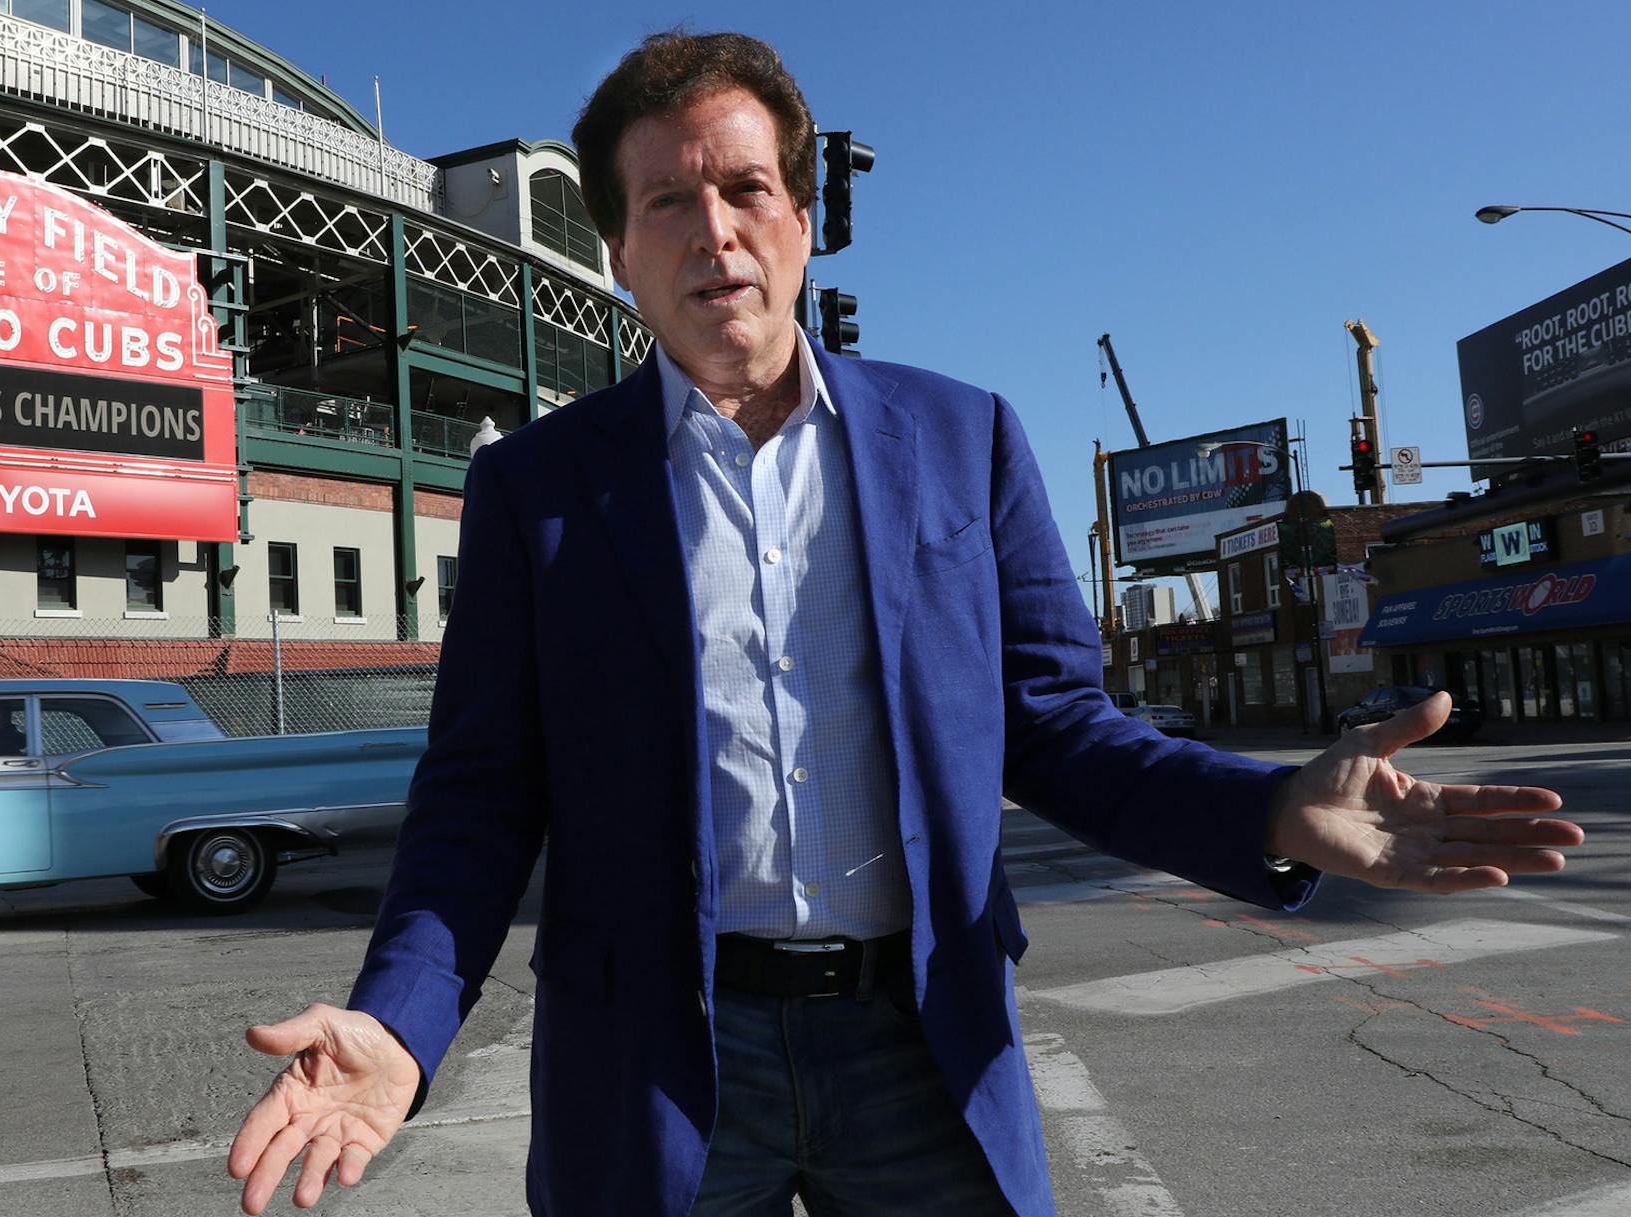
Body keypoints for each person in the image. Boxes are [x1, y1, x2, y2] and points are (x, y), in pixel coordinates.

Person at [227, 31, 1581, 1217]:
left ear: (804, 220)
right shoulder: (538, 488)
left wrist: (1272, 810)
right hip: (659, 1050)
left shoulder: (965, 440)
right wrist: (401, 1024)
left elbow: (1058, 731)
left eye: (748, 188)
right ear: (622, 249)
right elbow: (480, 793)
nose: (716, 231)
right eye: (669, 203)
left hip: (920, 1036)